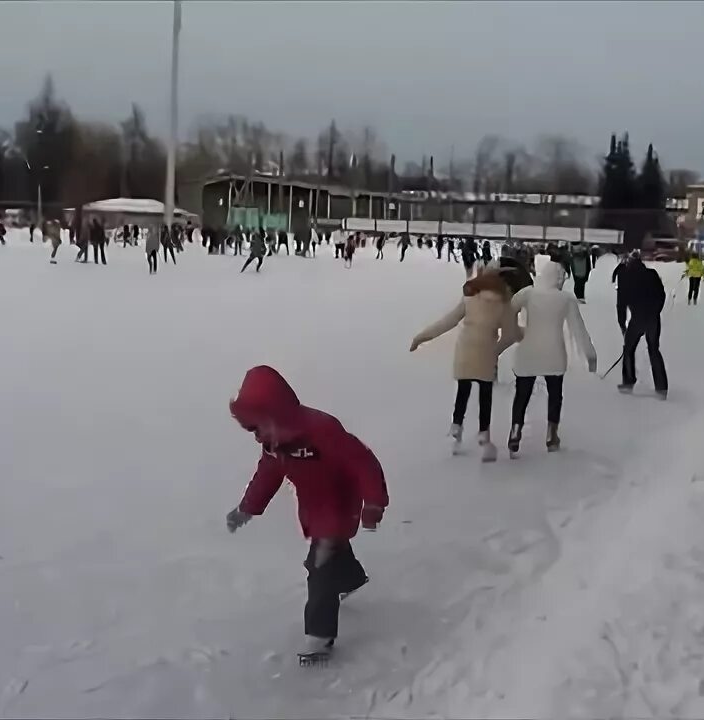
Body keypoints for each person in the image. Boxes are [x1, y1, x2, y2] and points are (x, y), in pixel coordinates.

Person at [225, 365, 388, 659]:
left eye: (256, 427)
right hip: (314, 507)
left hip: (340, 502)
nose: (255, 436)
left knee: (320, 566)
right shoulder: (275, 445)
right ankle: (352, 579)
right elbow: (267, 477)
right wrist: (246, 509)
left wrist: (373, 502)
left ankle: (320, 638)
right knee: (332, 552)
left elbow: (362, 462)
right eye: (250, 429)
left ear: (276, 415)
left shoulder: (322, 431)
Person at [409, 270, 520, 462]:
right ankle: (484, 437)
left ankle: (456, 427)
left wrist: (421, 337)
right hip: (485, 352)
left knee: (463, 390)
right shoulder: (504, 305)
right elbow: (510, 335)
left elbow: (447, 322)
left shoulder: (470, 300)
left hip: (465, 350)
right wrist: (495, 350)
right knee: (485, 395)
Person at [506, 262, 597, 454]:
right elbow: (578, 329)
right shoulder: (566, 299)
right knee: (555, 395)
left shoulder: (528, 293)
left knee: (522, 394)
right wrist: (590, 355)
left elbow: (508, 310)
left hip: (528, 351)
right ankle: (551, 434)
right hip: (554, 354)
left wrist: (513, 331)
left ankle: (515, 430)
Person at [619, 255, 668, 398]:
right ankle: (661, 387)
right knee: (654, 350)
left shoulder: (626, 278)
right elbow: (662, 294)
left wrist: (622, 323)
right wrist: (656, 311)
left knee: (628, 349)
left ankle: (628, 382)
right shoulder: (651, 274)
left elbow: (621, 303)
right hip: (653, 318)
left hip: (637, 319)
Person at [612, 253, 631, 333]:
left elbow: (614, 274)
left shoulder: (620, 267)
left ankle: (624, 326)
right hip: (629, 291)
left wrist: (613, 280)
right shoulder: (630, 267)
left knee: (621, 309)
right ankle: (626, 327)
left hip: (622, 291)